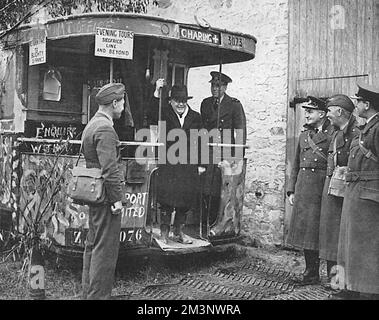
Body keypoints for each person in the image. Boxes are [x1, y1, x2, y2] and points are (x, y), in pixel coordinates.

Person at [333, 83, 379, 300]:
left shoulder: (377, 128)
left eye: (359, 101)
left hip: (369, 197)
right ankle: (353, 288)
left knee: (367, 249)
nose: (356, 105)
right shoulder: (367, 127)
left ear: (367, 104)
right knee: (352, 247)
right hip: (358, 194)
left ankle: (369, 292)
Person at [81, 82, 127, 300]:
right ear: (114, 102)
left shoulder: (92, 124)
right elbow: (110, 168)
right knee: (105, 251)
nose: (124, 106)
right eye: (122, 102)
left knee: (93, 246)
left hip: (95, 194)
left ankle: (88, 294)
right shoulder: (105, 128)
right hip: (106, 198)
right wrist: (117, 200)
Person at [286, 96, 334, 285]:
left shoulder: (333, 134)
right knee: (307, 231)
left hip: (324, 189)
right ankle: (311, 272)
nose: (306, 114)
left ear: (322, 114)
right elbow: (296, 164)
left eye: (310, 111)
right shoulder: (304, 135)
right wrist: (291, 190)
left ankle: (333, 276)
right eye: (306, 111)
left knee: (328, 231)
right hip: (305, 189)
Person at [151, 80, 204, 244]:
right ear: (170, 101)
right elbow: (152, 111)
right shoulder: (165, 113)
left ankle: (179, 232)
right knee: (166, 199)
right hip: (169, 163)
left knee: (185, 199)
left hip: (189, 165)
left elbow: (201, 141)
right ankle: (165, 232)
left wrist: (202, 164)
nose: (180, 104)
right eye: (176, 101)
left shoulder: (196, 117)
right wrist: (156, 92)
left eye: (183, 101)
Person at [318, 94, 359, 288]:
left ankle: (344, 282)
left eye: (329, 111)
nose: (327, 115)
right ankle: (335, 280)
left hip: (348, 190)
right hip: (334, 188)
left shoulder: (356, 133)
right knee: (331, 235)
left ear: (340, 112)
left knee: (345, 238)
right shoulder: (336, 132)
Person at [200, 71, 246, 226]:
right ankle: (205, 222)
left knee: (223, 190)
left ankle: (219, 224)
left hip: (225, 152)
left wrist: (237, 158)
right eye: (213, 85)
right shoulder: (205, 103)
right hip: (208, 151)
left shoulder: (234, 105)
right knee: (207, 188)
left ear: (225, 87)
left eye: (218, 86)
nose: (215, 89)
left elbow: (240, 131)